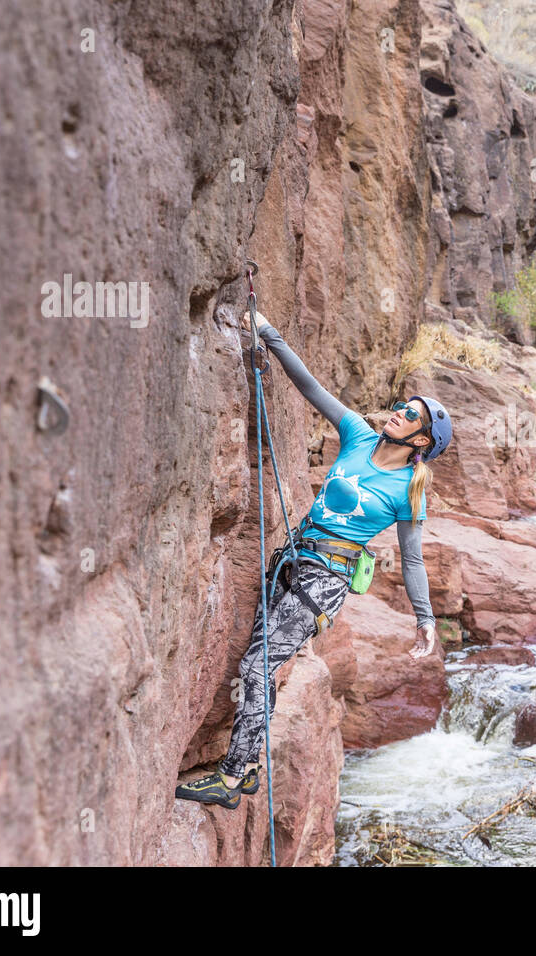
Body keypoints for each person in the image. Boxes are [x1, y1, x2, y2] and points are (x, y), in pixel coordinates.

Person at [175, 308, 453, 810]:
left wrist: (425, 620)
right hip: (292, 560)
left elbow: (411, 562)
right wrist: (268, 333)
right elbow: (310, 386)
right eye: (401, 405)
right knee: (261, 661)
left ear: (422, 441)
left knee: (258, 665)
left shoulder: (409, 488)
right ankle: (250, 762)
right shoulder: (359, 437)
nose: (399, 411)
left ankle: (232, 777)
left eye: (411, 414)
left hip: (325, 579)